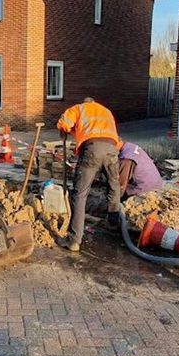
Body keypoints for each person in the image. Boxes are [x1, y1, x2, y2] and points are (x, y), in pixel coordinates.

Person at [56, 97, 121, 252]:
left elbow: (64, 123)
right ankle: (113, 224)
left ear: (85, 102)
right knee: (113, 186)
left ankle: (74, 240)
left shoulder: (79, 108)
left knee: (80, 193)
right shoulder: (106, 111)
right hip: (112, 149)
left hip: (92, 149)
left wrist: (64, 131)